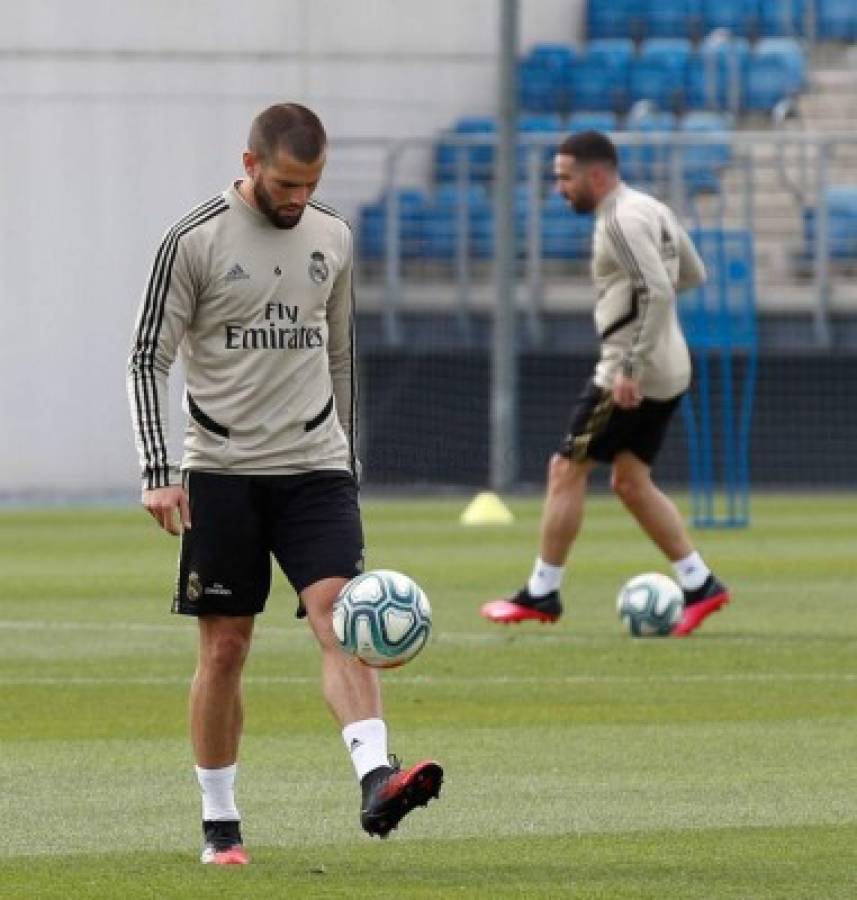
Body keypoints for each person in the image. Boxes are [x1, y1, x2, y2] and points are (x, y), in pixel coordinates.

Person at [127, 102, 442, 865]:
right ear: (250, 164)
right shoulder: (193, 240)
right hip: (223, 473)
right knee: (226, 649)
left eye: (311, 183)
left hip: (315, 468)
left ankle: (376, 778)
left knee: (340, 616)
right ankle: (219, 823)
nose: (298, 197)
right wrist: (158, 470)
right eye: (286, 182)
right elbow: (147, 357)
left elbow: (340, 355)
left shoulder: (332, 236)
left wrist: (348, 463)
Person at [480, 130, 729, 637]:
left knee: (565, 470)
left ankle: (542, 592)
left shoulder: (618, 219)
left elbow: (658, 288)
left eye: (565, 178)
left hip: (628, 372)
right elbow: (693, 272)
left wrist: (631, 364)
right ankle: (700, 583)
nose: (560, 189)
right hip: (672, 365)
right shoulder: (650, 206)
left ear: (597, 175)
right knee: (630, 482)